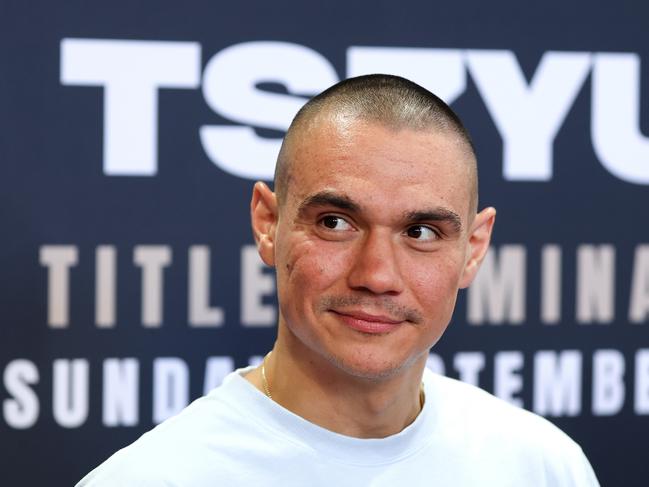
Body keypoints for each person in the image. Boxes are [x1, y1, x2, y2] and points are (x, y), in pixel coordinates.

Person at [77, 74, 599, 486]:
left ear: (473, 249)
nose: (376, 275)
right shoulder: (152, 479)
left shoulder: (544, 467)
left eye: (420, 231)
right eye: (335, 223)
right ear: (268, 225)